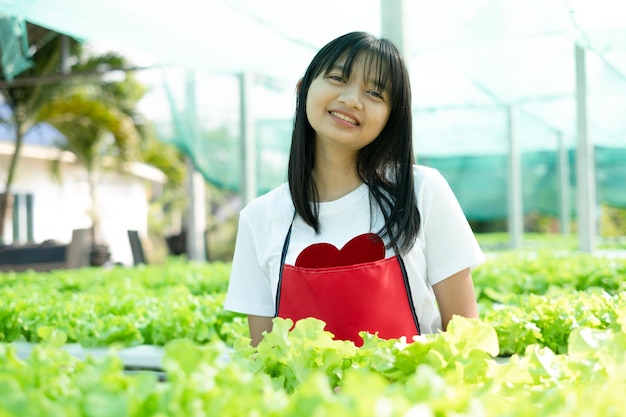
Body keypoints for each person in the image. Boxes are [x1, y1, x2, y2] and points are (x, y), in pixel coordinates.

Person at [224, 31, 485, 347]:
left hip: (412, 397)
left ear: (392, 116)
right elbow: (264, 356)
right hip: (304, 399)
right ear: (302, 89)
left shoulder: (421, 191)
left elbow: (466, 339)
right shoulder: (260, 217)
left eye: (375, 93)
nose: (351, 99)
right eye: (337, 78)